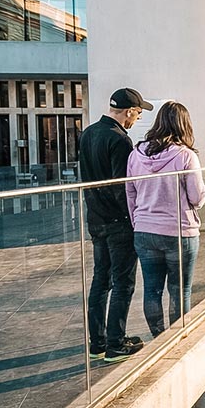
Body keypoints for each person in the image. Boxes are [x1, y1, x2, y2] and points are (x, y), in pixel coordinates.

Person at [79, 88, 152, 363]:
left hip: (96, 220)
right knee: (123, 284)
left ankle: (97, 343)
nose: (138, 118)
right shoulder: (120, 140)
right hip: (118, 223)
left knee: (100, 280)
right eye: (138, 113)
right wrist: (133, 219)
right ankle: (115, 344)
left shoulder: (88, 133)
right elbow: (122, 188)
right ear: (129, 111)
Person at [126, 102, 205, 337]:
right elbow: (196, 197)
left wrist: (138, 222)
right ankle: (178, 338)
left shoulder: (135, 155)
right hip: (179, 232)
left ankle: (158, 337)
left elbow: (130, 193)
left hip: (144, 231)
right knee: (180, 290)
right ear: (184, 124)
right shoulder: (186, 156)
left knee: (152, 290)